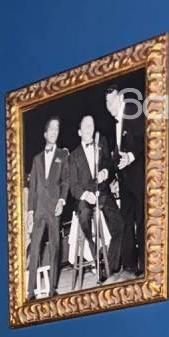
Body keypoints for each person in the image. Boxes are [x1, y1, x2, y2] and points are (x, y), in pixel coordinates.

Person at [67, 114, 122, 282]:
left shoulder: (101, 143)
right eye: (86, 126)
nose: (89, 129)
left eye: (91, 125)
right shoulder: (73, 156)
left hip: (102, 193)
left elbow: (110, 164)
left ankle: (109, 266)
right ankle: (96, 258)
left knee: (120, 224)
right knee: (84, 217)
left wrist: (106, 171)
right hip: (84, 197)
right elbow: (73, 186)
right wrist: (86, 195)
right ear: (79, 131)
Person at [26, 116, 69, 298]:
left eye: (57, 129)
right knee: (34, 248)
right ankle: (30, 292)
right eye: (51, 128)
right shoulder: (36, 159)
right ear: (45, 134)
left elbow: (66, 181)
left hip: (54, 208)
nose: (54, 131)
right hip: (38, 210)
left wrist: (61, 201)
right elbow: (33, 187)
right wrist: (30, 211)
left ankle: (52, 289)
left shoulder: (63, 155)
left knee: (55, 247)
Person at [105, 84, 143, 277]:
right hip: (124, 180)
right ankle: (129, 265)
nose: (109, 106)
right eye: (107, 103)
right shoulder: (115, 123)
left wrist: (131, 156)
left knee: (142, 220)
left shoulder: (134, 112)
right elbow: (117, 154)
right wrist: (111, 175)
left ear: (120, 99)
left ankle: (145, 264)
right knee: (126, 221)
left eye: (111, 101)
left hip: (138, 177)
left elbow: (145, 139)